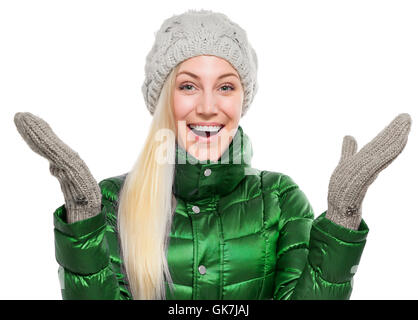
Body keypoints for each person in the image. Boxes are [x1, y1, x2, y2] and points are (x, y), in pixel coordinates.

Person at [14, 9, 411, 300]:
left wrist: (340, 227)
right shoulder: (115, 202)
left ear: (242, 99)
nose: (207, 107)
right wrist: (82, 228)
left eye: (225, 87)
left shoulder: (280, 199)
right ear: (162, 99)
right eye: (188, 86)